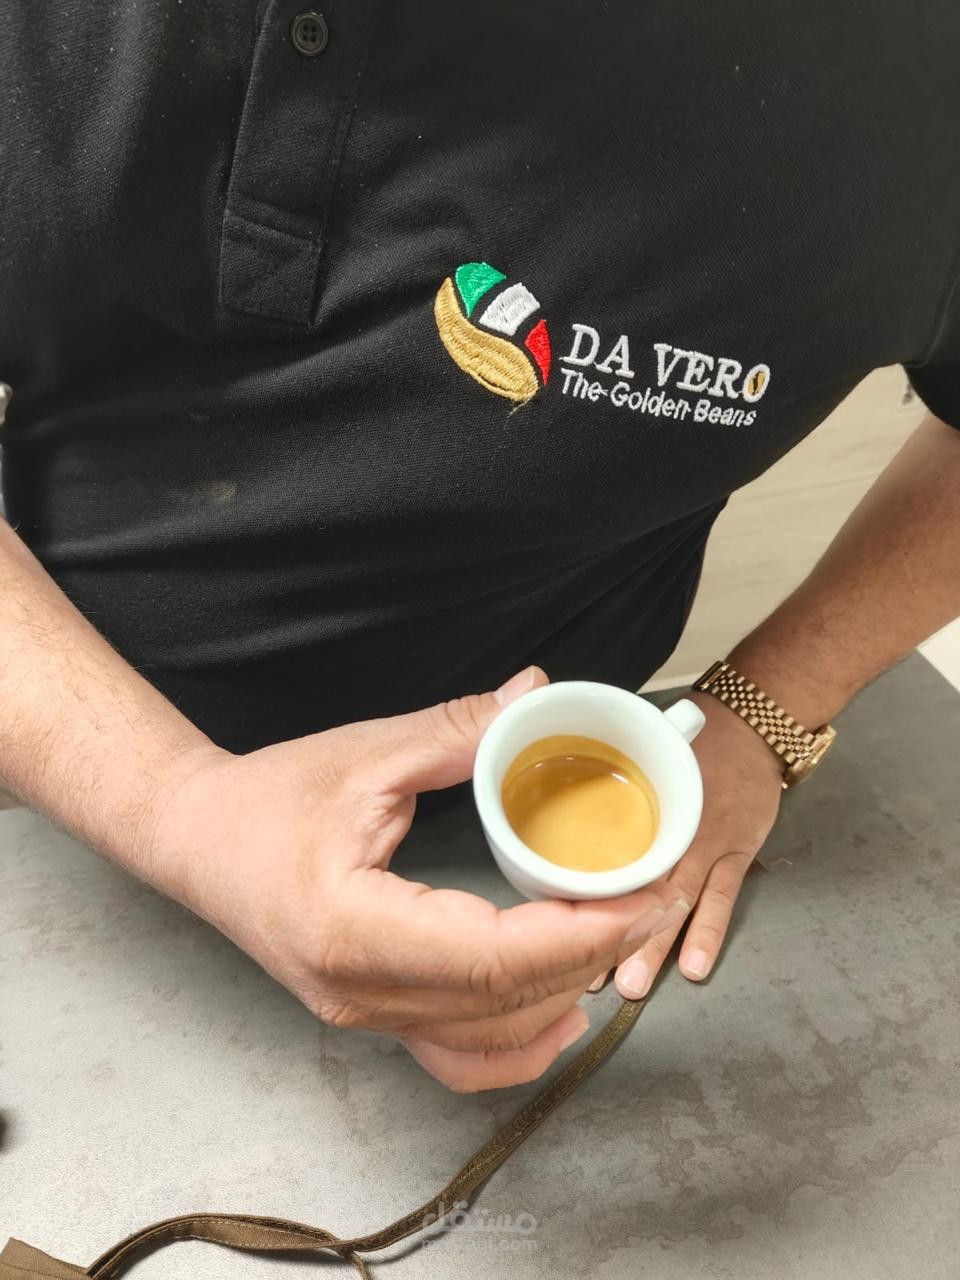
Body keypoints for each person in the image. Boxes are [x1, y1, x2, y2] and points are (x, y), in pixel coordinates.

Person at [1, 1, 959, 1094]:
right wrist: (177, 807)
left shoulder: (920, 88)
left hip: (554, 854)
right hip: (52, 793)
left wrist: (765, 713)